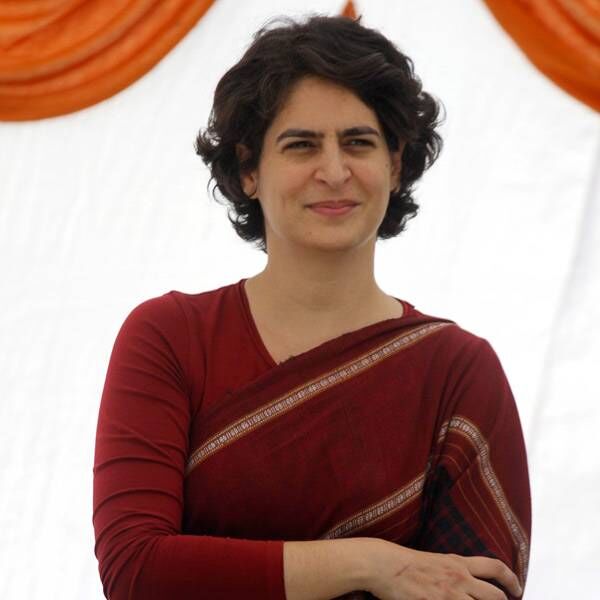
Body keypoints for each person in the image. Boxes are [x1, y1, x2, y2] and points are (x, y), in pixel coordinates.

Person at [92, 13, 531, 600]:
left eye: (358, 142)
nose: (334, 171)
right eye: (301, 145)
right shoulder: (171, 338)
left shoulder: (457, 371)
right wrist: (370, 565)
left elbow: (478, 589)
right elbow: (137, 570)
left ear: (395, 164)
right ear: (248, 168)